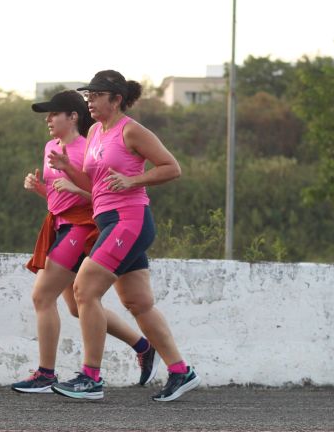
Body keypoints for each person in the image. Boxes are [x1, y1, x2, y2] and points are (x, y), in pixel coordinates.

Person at [48, 71, 201, 402]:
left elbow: (172, 167)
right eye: (87, 95)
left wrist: (134, 181)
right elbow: (95, 185)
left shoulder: (131, 130)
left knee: (84, 290)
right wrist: (66, 168)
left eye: (96, 95)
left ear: (116, 99)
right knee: (138, 303)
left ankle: (90, 378)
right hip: (110, 222)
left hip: (128, 222)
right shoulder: (94, 131)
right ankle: (180, 371)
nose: (89, 100)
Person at [11, 90, 160, 395]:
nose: (48, 120)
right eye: (47, 115)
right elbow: (58, 196)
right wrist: (40, 189)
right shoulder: (51, 146)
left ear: (73, 117)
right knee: (79, 308)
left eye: (54, 114)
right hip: (59, 226)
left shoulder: (84, 148)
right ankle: (143, 346)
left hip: (82, 228)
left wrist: (73, 182)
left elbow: (100, 195)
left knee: (42, 297)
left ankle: (46, 373)